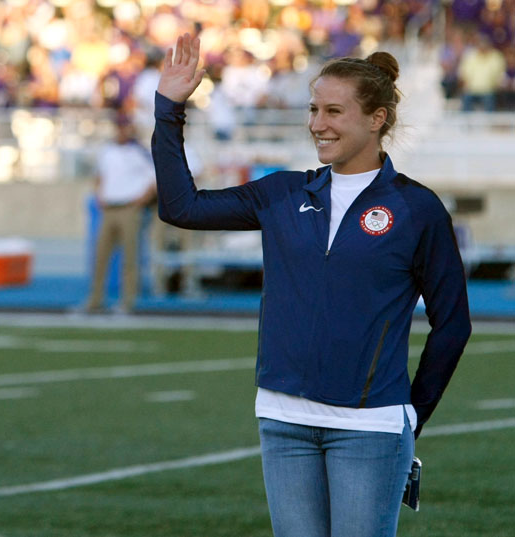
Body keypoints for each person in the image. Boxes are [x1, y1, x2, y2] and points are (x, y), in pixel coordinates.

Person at [151, 34, 471, 537]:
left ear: (376, 119)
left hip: (370, 428)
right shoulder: (281, 193)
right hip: (282, 420)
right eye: (313, 109)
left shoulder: (417, 208)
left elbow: (453, 323)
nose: (317, 124)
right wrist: (169, 108)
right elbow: (181, 208)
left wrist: (411, 413)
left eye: (334, 111)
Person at [85, 115, 157, 314]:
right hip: (108, 208)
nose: (121, 131)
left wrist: (140, 200)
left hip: (128, 208)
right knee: (100, 256)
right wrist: (99, 194)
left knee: (130, 257)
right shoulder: (107, 151)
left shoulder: (139, 152)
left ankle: (128, 302)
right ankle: (95, 299)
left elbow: (154, 178)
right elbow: (100, 175)